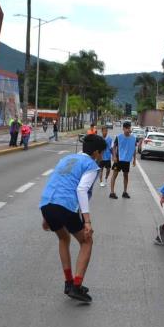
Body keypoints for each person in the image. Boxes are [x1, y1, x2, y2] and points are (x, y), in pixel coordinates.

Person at [40, 134, 106, 303]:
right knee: (87, 241)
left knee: (64, 238)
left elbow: (54, 181)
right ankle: (77, 285)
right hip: (66, 205)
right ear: (96, 153)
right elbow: (81, 190)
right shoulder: (91, 165)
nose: (103, 157)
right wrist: (88, 221)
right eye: (102, 153)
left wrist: (47, 216)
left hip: (47, 203)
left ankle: (68, 283)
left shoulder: (67, 159)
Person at [109, 121, 137, 199]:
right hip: (118, 159)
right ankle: (112, 192)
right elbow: (114, 147)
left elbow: (134, 149)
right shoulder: (119, 137)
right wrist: (114, 156)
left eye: (129, 128)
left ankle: (124, 192)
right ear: (123, 129)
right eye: (127, 128)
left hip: (127, 160)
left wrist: (134, 159)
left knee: (126, 175)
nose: (128, 130)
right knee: (115, 175)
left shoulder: (133, 138)